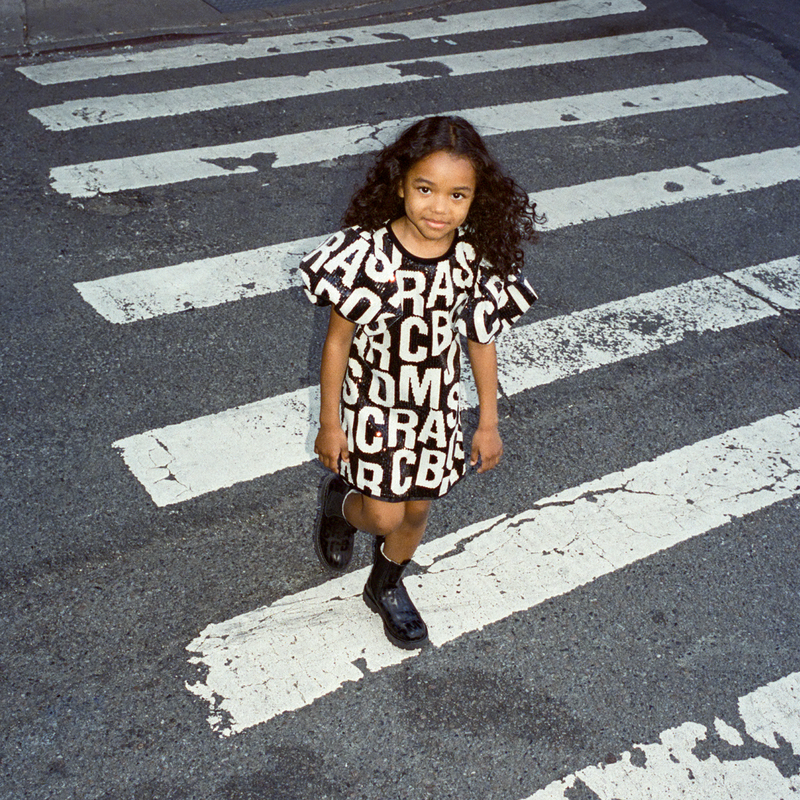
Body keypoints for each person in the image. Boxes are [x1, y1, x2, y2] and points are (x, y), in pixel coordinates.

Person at [298, 115, 539, 650]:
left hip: (435, 407)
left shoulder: (474, 260)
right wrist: (329, 423)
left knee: (419, 508)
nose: (439, 208)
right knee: (384, 513)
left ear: (476, 199)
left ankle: (386, 585)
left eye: (458, 195)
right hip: (373, 403)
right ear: (401, 184)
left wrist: (488, 422)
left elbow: (480, 339)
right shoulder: (366, 255)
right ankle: (341, 503)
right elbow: (337, 343)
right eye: (425, 189)